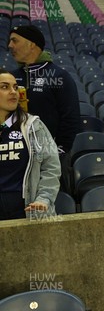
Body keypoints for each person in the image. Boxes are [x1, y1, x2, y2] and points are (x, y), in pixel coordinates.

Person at [8, 25, 80, 191]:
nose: (10, 45)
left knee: (52, 203)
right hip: (16, 156)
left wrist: (58, 152)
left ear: (32, 44)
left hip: (50, 157)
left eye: (15, 40)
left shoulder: (59, 76)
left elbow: (70, 118)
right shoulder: (11, 78)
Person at [0, 69, 60, 220]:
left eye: (15, 87)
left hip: (27, 209)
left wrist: (43, 199)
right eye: (5, 87)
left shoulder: (34, 126)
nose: (13, 92)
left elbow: (51, 167)